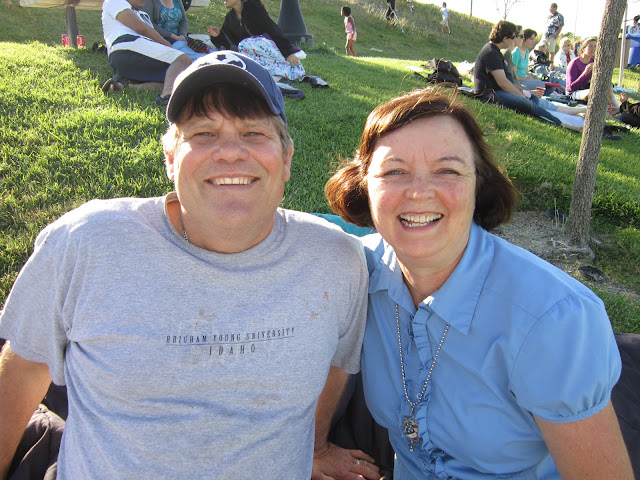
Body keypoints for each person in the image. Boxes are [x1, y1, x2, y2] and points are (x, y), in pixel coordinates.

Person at [0, 51, 371, 479]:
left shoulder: (336, 261)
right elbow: (22, 371)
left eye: (253, 133)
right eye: (203, 133)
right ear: (170, 158)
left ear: (286, 158)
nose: (230, 153)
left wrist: (314, 447)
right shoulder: (84, 244)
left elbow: (337, 365)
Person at [322, 87, 635, 479]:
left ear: (478, 186)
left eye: (448, 171)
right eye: (394, 172)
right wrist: (315, 447)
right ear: (364, 185)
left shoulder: (554, 320)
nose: (419, 192)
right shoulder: (355, 271)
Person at [474, 20, 581, 132]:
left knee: (532, 98)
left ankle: (546, 113)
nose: (514, 40)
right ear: (505, 39)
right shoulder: (491, 53)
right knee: (527, 103)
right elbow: (503, 82)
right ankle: (565, 124)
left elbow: (508, 81)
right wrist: (521, 95)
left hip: (496, 91)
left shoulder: (496, 52)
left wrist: (525, 92)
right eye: (513, 37)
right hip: (488, 94)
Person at [100, 0, 192, 106]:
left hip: (128, 57)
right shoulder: (116, 1)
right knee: (183, 59)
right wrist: (166, 44)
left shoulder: (142, 14)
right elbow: (140, 27)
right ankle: (166, 97)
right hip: (127, 45)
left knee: (176, 78)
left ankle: (122, 86)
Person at [206, 0, 305, 80]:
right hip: (252, 57)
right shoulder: (230, 17)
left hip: (268, 50)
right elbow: (230, 46)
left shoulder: (253, 7)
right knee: (243, 46)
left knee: (246, 44)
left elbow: (272, 29)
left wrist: (288, 53)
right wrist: (218, 36)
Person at [142, 0, 209, 61]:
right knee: (193, 58)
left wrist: (182, 35)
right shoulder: (150, 1)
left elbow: (183, 20)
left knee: (206, 52)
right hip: (162, 40)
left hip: (180, 40)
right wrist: (172, 36)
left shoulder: (177, 1)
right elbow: (148, 24)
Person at [566, 37, 620, 110]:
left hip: (588, 88)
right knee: (594, 92)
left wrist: (609, 85)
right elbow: (571, 87)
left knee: (607, 87)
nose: (593, 49)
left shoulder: (594, 61)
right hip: (574, 92)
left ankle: (618, 109)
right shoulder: (574, 63)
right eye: (590, 46)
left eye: (595, 46)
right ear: (583, 48)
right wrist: (585, 73)